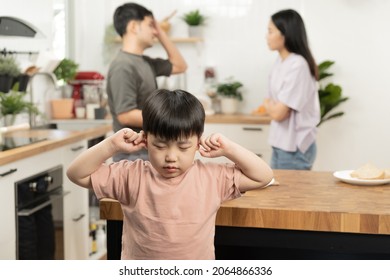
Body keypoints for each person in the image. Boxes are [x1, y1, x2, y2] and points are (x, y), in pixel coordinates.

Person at [66, 89, 273, 260]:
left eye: (183, 147)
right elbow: (76, 174)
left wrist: (229, 148)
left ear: (198, 142)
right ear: (145, 140)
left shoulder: (212, 177)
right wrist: (111, 145)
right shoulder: (131, 175)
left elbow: (262, 176)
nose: (171, 157)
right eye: (160, 146)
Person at [107, 2, 187, 161]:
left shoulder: (145, 62)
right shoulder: (123, 66)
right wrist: (169, 117)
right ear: (134, 27)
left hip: (145, 149)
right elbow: (125, 115)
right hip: (131, 153)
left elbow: (180, 65)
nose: (155, 31)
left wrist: (161, 34)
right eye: (151, 25)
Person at [264, 9, 320, 170]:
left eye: (270, 31)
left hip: (294, 148)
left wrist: (272, 107)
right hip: (280, 143)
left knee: (290, 195)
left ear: (285, 34)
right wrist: (273, 106)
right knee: (277, 193)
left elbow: (278, 113)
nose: (266, 36)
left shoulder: (298, 65)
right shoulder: (280, 62)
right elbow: (269, 102)